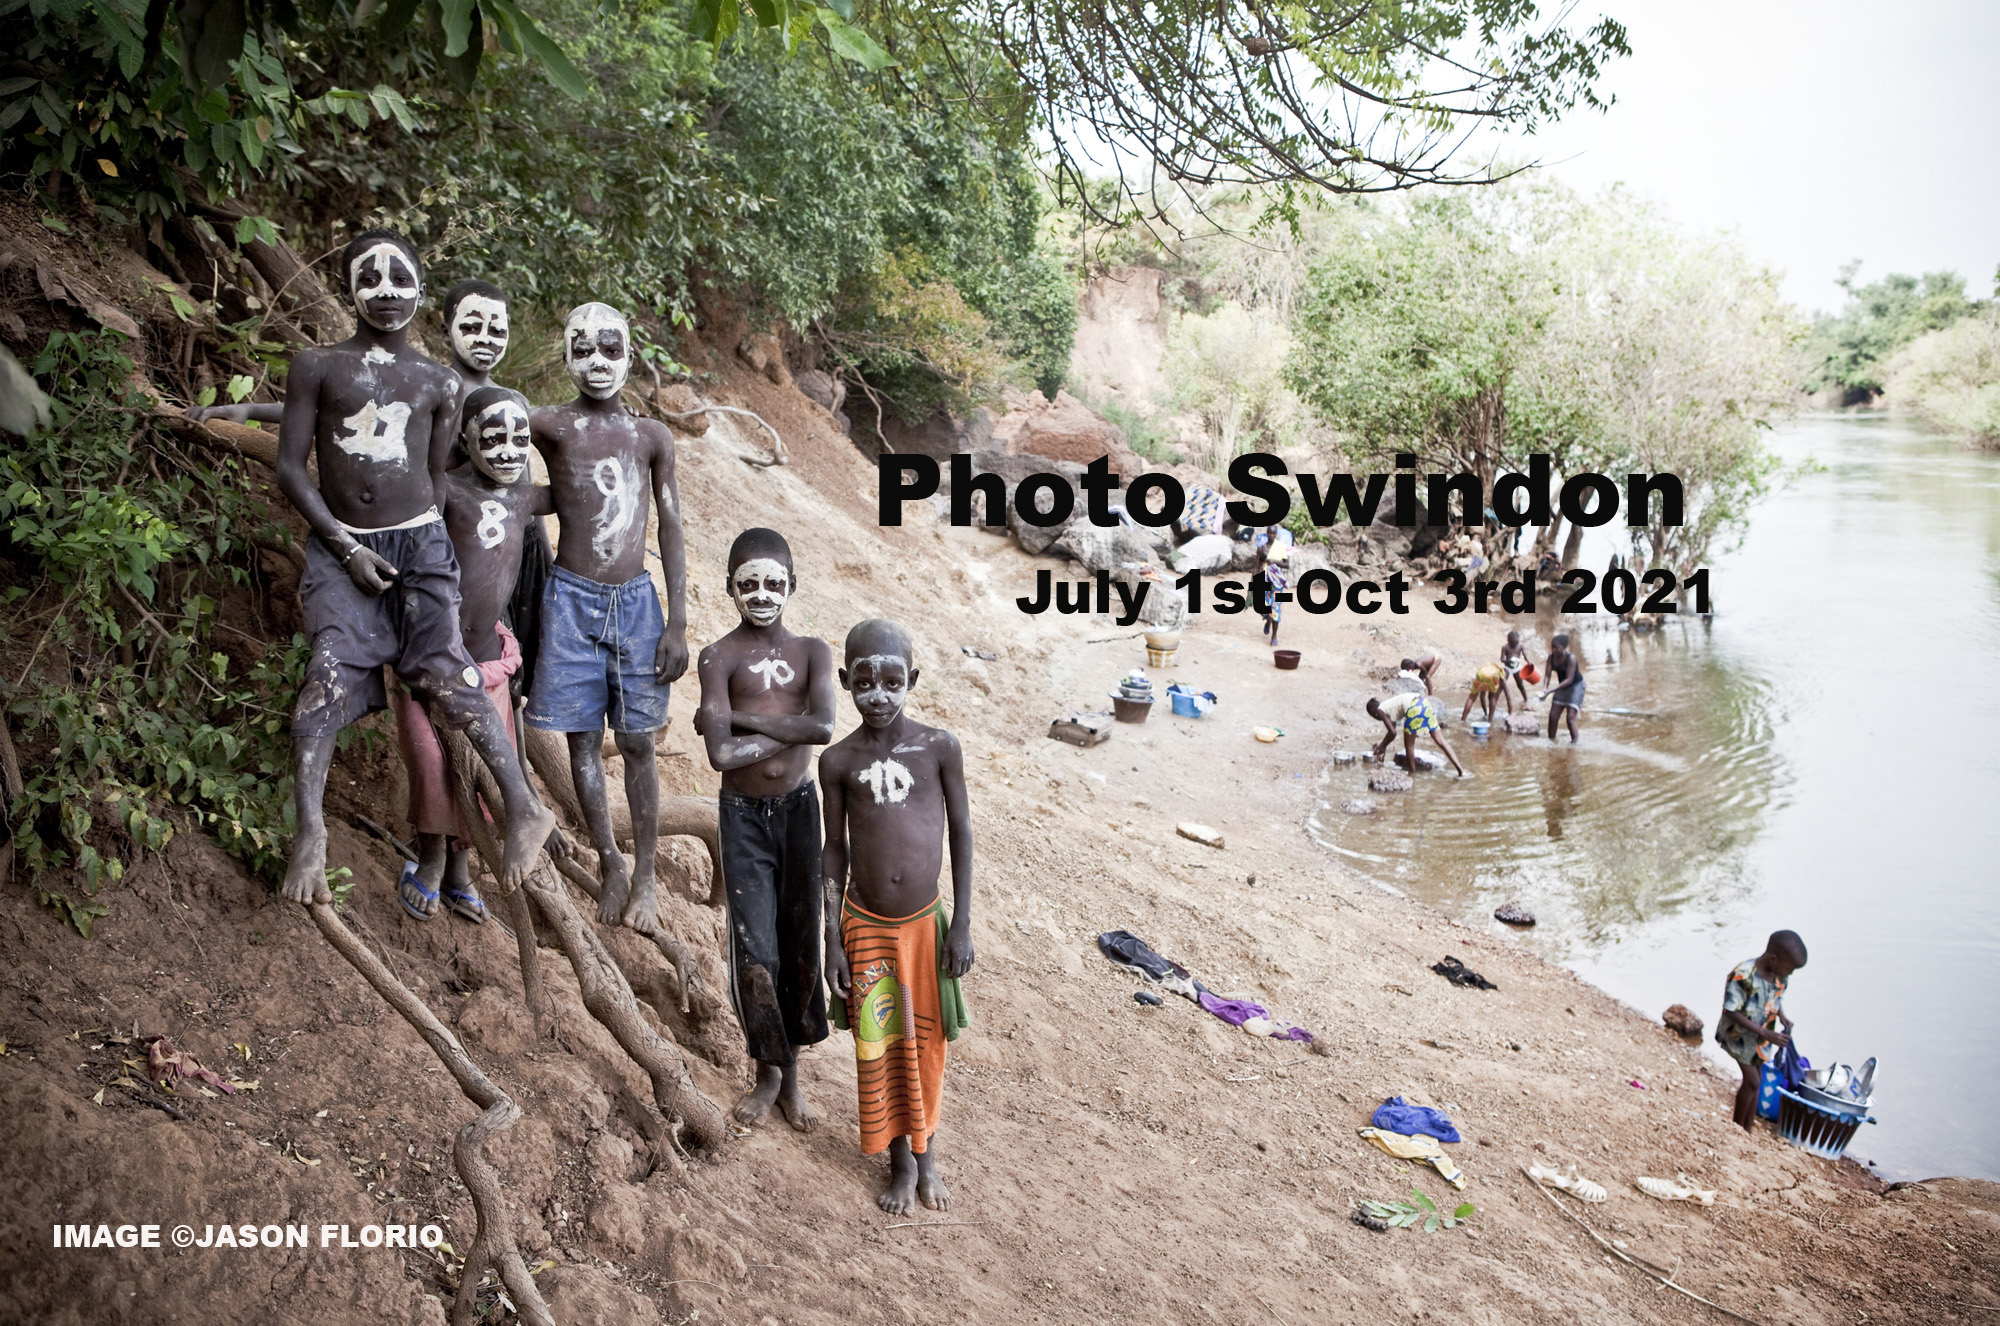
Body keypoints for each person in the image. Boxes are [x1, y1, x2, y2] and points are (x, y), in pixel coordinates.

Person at [273, 229, 553, 907]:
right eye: (370, 277)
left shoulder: (438, 381)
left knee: (449, 672)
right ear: (348, 288)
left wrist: (429, 558)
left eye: (401, 278)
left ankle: (523, 807)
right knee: (326, 673)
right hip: (344, 548)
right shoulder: (316, 366)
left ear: (421, 291)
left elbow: (433, 480)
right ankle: (310, 833)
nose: (387, 290)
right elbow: (290, 464)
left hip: (420, 547)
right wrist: (345, 545)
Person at [527, 302, 690, 937]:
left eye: (611, 348)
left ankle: (646, 873)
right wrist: (537, 499)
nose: (598, 362)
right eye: (584, 349)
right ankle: (609, 860)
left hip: (638, 603)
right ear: (566, 356)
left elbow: (671, 525)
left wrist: (676, 621)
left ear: (631, 355)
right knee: (580, 739)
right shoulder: (551, 424)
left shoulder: (651, 437)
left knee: (640, 741)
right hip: (570, 599)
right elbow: (484, 440)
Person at [821, 619, 974, 1215]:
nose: (878, 696)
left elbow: (960, 831)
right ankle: (899, 1163)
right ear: (845, 683)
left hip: (924, 927)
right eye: (864, 684)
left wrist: (960, 922)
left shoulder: (939, 748)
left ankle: (927, 1155)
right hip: (865, 926)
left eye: (891, 682)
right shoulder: (837, 762)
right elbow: (834, 850)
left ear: (912, 680)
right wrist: (831, 936)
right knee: (880, 1040)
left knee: (927, 1044)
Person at [693, 528, 837, 1131]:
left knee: (800, 938)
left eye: (773, 583)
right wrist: (788, 724)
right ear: (729, 589)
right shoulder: (718, 657)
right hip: (744, 818)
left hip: (801, 810)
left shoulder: (814, 652)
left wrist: (738, 716)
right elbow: (721, 758)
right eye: (747, 583)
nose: (761, 593)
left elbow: (824, 726)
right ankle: (766, 1073)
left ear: (793, 586)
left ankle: (793, 1075)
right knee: (757, 950)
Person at [392, 387, 553, 922]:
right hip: (430, 658)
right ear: (465, 439)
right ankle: (431, 856)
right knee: (430, 760)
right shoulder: (447, 491)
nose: (508, 450)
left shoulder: (528, 498)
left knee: (482, 772)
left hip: (488, 662)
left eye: (520, 439)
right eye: (493, 437)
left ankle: (462, 869)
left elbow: (581, 487)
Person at [1717, 931, 1808, 1132]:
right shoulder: (1743, 975)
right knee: (1752, 1081)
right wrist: (1765, 1033)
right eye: (1790, 968)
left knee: (1757, 1082)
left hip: (1760, 1040)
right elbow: (1730, 1010)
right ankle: (1736, 1130)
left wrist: (1782, 1016)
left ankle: (1746, 1128)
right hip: (1738, 1036)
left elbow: (1775, 999)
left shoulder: (1780, 977)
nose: (1790, 973)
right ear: (1774, 959)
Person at [1366, 688, 1467, 778]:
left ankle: (1412, 775)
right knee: (1440, 740)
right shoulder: (1389, 707)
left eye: (1373, 716)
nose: (1376, 718)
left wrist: (1382, 746)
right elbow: (1391, 733)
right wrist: (1384, 747)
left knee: (1409, 745)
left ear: (1373, 711)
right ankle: (1461, 770)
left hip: (1413, 708)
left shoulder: (1380, 710)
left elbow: (1393, 733)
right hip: (1424, 703)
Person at [1541, 632, 1585, 742]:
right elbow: (1547, 675)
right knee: (1553, 716)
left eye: (1557, 648)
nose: (1554, 650)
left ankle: (1574, 744)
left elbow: (1569, 679)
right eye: (1553, 648)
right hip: (1562, 687)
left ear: (1564, 647)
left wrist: (1551, 690)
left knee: (1570, 718)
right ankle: (1551, 741)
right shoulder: (1551, 658)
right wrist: (1545, 688)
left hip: (1575, 686)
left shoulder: (1571, 658)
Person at [1500, 629, 1535, 706]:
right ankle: (1495, 700)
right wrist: (1507, 661)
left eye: (1516, 643)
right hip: (1507, 667)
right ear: (1508, 641)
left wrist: (1529, 661)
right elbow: (1502, 659)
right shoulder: (1505, 647)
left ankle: (1526, 700)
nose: (1515, 645)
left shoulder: (1520, 646)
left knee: (1520, 685)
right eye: (1513, 643)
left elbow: (1525, 655)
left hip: (1516, 668)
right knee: (1502, 684)